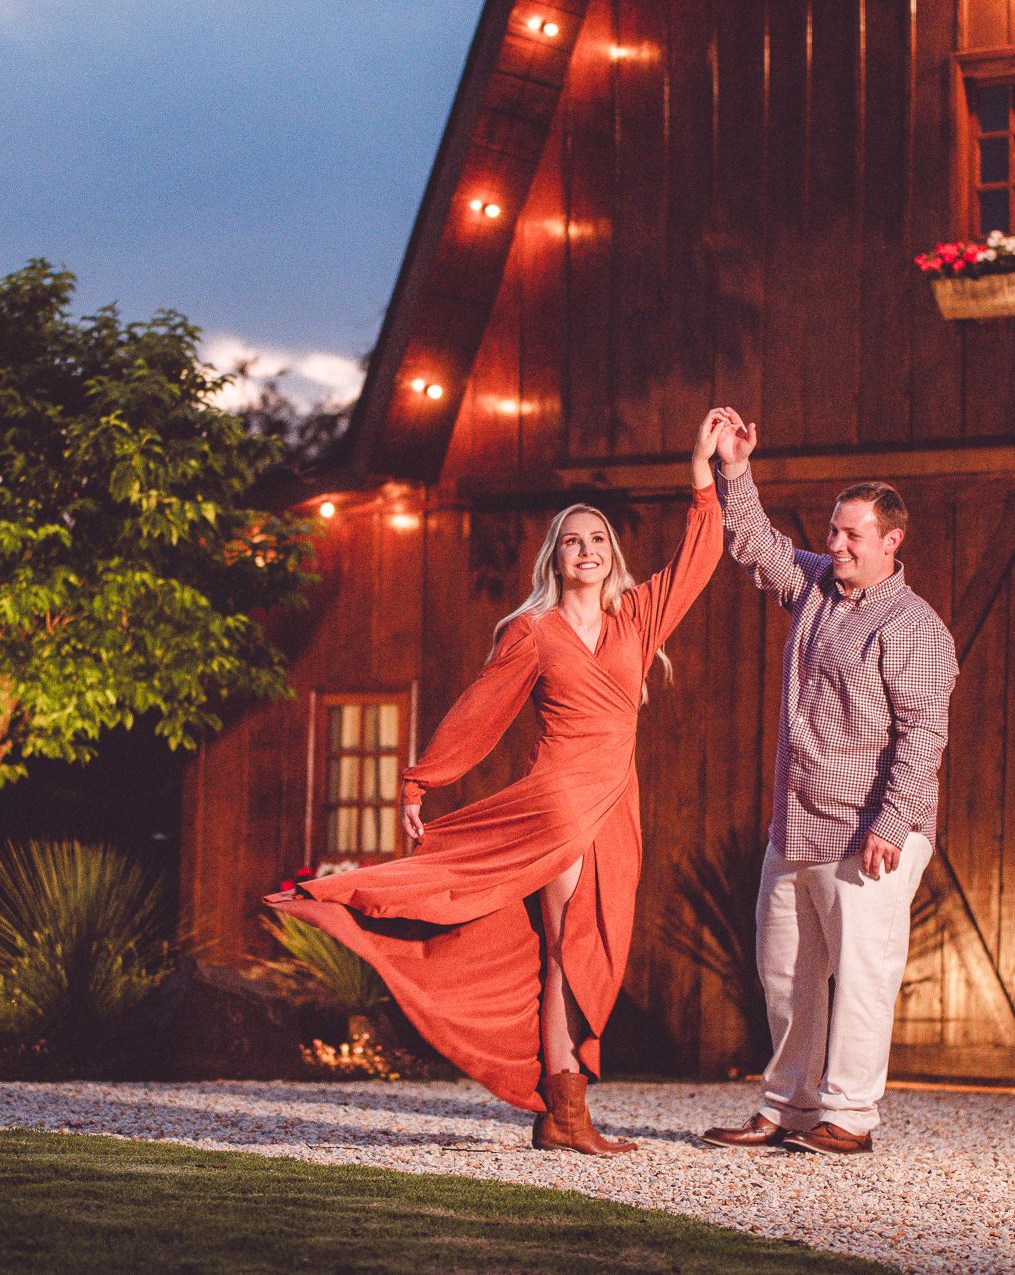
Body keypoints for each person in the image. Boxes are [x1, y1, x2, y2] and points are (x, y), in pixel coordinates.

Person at [268, 410, 729, 1154]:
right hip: (559, 804)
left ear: (612, 554)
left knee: (590, 951)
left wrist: (706, 474)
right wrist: (421, 781)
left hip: (619, 806)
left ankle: (562, 1110)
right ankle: (567, 1111)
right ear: (555, 557)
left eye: (598, 539)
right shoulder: (533, 632)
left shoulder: (637, 618)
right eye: (573, 541)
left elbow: (698, 560)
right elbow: (480, 709)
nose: (587, 549)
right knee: (566, 952)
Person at [699, 408, 958, 1155]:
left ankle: (851, 1117)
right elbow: (756, 543)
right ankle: (790, 1106)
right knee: (786, 974)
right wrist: (735, 468)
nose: (835, 544)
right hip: (797, 823)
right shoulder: (815, 586)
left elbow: (924, 737)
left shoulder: (914, 627)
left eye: (851, 535)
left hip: (870, 831)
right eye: (833, 532)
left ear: (891, 541)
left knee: (864, 975)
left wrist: (892, 822)